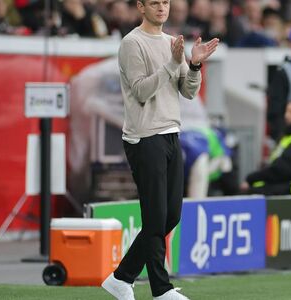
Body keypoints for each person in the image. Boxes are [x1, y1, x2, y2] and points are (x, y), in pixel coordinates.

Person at [100, 0, 218, 299]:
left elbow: (188, 92)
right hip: (144, 136)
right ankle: (161, 290)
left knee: (170, 216)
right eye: (155, 3)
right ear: (141, 7)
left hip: (171, 133)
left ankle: (121, 277)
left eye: (165, 2)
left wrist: (193, 64)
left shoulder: (171, 42)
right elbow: (140, 91)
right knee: (155, 218)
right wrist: (171, 63)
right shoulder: (132, 43)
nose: (162, 8)